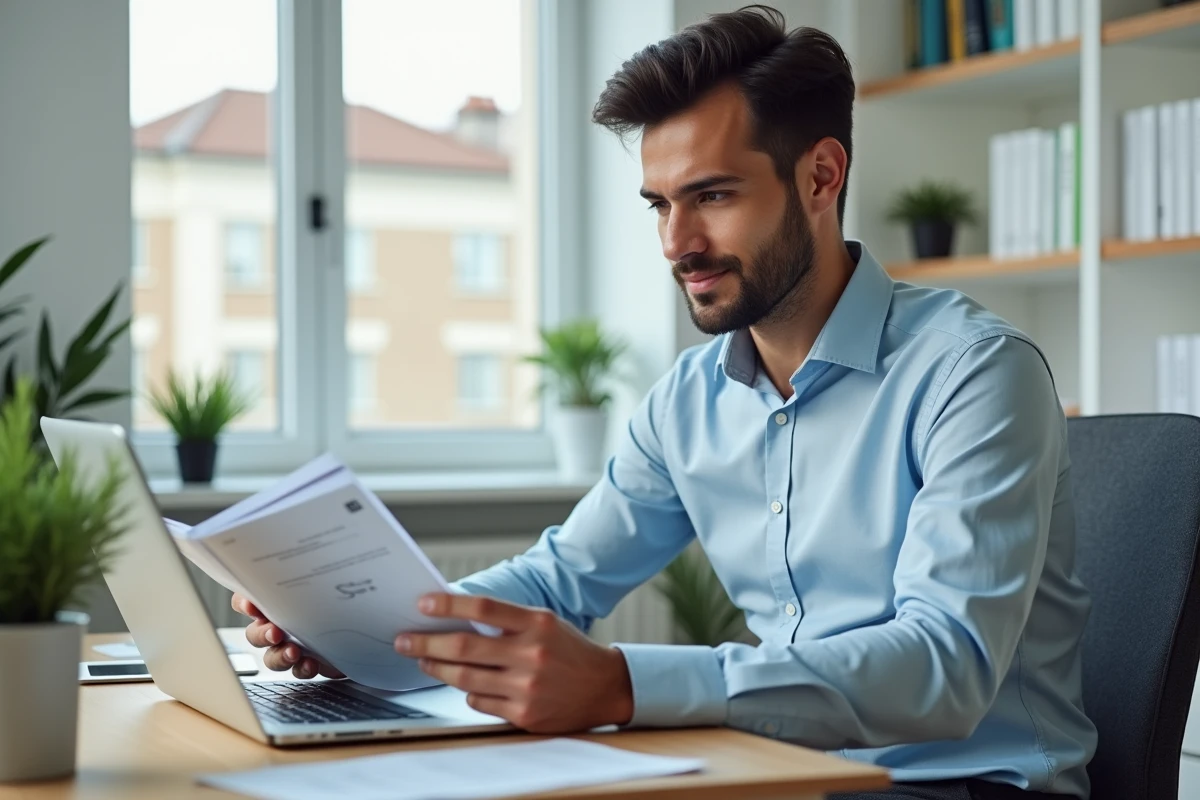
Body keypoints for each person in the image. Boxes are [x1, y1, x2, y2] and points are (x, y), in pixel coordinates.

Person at [234, 6, 1097, 798]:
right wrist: (362, 628)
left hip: (969, 786)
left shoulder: (975, 373)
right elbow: (560, 579)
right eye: (660, 205)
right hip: (777, 773)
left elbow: (945, 669)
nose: (678, 245)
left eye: (713, 196)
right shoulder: (690, 399)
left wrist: (620, 683)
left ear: (821, 177)